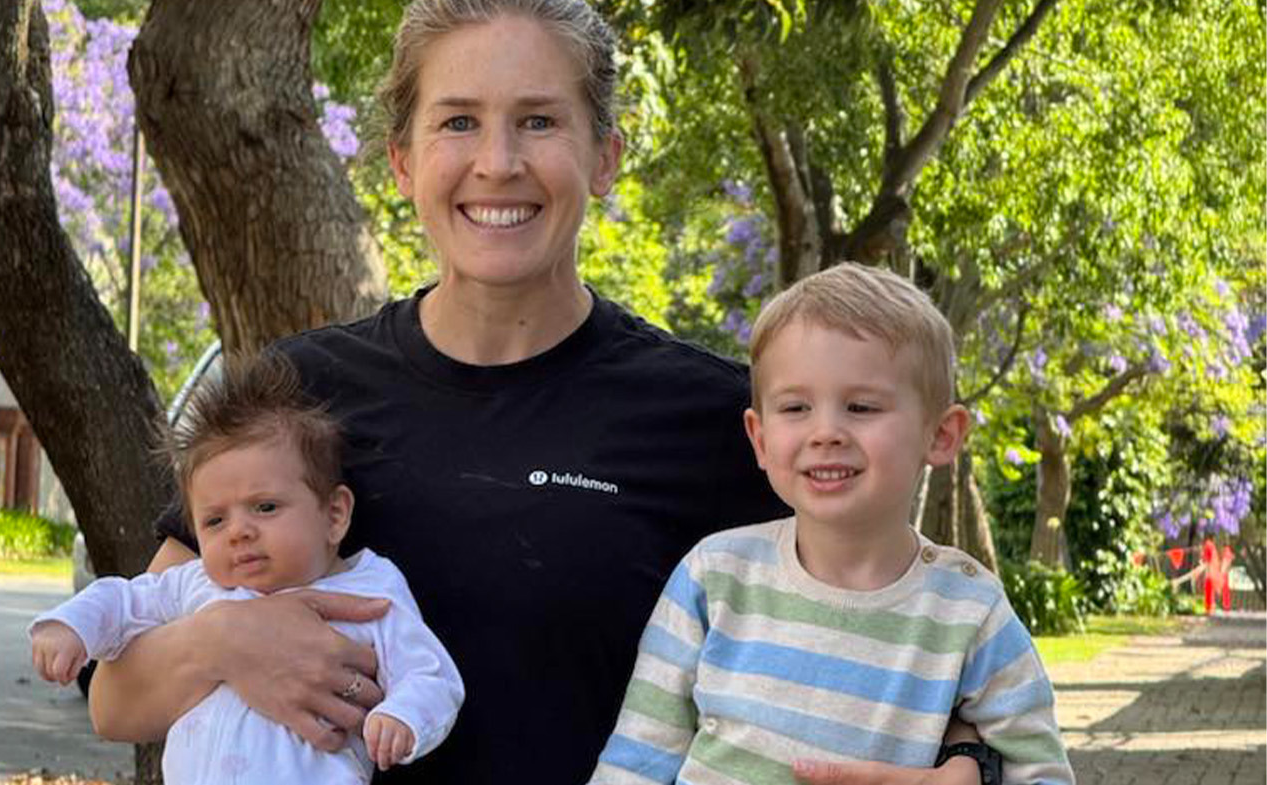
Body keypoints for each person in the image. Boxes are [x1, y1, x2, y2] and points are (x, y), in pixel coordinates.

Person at [86, 2, 993, 783]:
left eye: (539, 121)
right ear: (401, 162)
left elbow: (924, 638)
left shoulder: (718, 421)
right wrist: (224, 642)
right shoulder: (298, 394)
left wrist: (969, 765)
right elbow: (116, 697)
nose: (498, 162)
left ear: (604, 158)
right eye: (457, 123)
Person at [591, 263, 1074, 784]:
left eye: (861, 406)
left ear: (941, 435)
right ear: (758, 437)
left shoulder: (969, 611)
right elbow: (637, 759)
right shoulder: (714, 577)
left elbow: (1042, 771)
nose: (826, 432)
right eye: (795, 407)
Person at [29, 354, 463, 783]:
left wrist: (402, 716)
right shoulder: (196, 584)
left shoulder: (368, 591)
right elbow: (122, 599)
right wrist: (71, 626)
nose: (239, 532)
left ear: (334, 515)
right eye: (215, 520)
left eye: (266, 506)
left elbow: (429, 674)